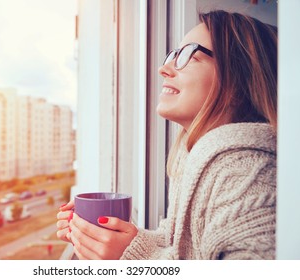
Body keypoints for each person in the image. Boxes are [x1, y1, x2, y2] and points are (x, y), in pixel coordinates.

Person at [56, 10, 277, 260]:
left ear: (238, 80)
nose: (164, 69)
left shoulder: (245, 173)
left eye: (187, 55)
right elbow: (185, 248)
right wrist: (108, 240)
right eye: (172, 54)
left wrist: (137, 261)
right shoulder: (194, 158)